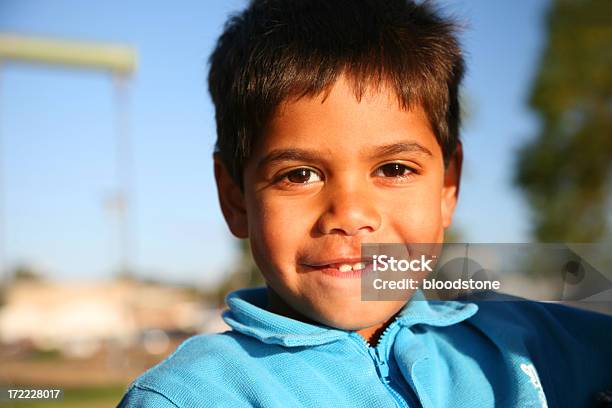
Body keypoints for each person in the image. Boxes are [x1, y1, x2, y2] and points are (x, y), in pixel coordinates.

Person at [117, 0, 612, 407]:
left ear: (448, 188)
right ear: (235, 198)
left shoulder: (540, 347)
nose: (350, 213)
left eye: (394, 169)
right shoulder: (190, 397)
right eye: (299, 175)